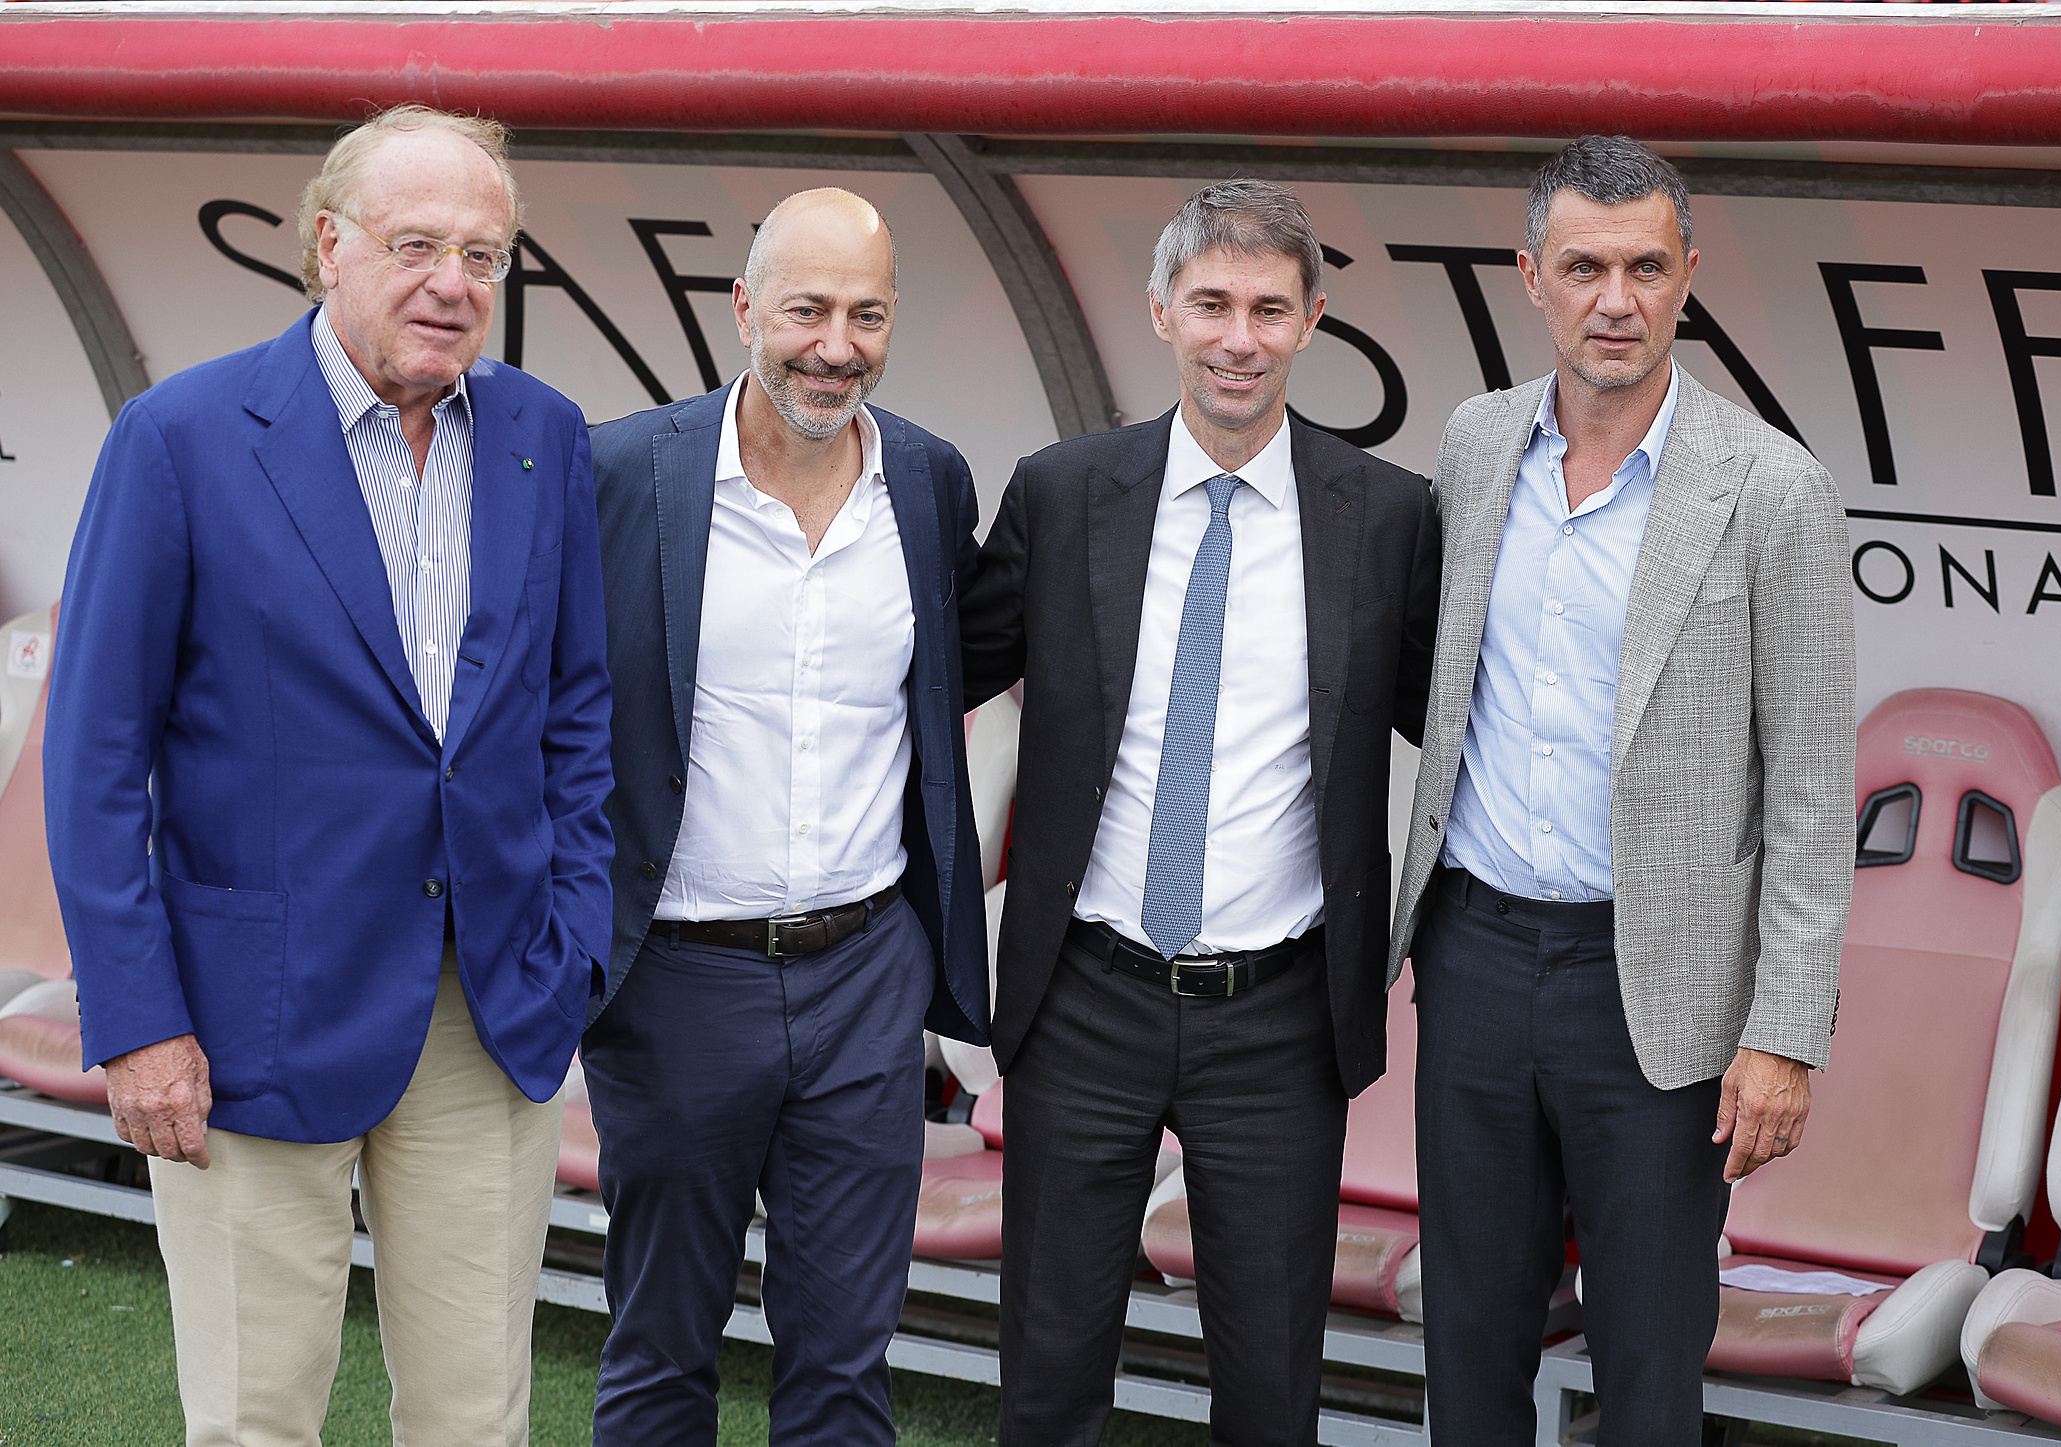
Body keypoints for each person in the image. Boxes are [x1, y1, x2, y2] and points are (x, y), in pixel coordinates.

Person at [43, 105, 614, 1444]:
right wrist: (136, 1020)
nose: (451, 282)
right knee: (253, 1417)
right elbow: (96, 756)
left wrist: (570, 941)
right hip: (246, 1018)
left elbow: (576, 712)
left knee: (476, 1417)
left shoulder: (542, 433)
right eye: (415, 243)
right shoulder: (180, 438)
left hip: (488, 1010)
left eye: (485, 253)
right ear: (325, 246)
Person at [1390, 134, 1856, 1446]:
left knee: (1648, 1362)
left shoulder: (1769, 487)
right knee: (1468, 1339)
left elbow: (1814, 789)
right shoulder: (1475, 446)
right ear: (1528, 275)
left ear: (1687, 275)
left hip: (1655, 988)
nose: (1615, 298)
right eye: (1584, 266)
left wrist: (1783, 1033)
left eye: (1645, 266)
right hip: (1472, 955)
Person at [961, 179, 1440, 1447]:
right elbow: (935, 676)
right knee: (1050, 1369)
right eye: (1213, 303)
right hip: (1084, 994)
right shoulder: (1063, 494)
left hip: (1279, 1012)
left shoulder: (1384, 517)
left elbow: (1452, 730)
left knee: (1272, 1385)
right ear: (1162, 309)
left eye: (1269, 309)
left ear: (1312, 320)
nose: (1239, 336)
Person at [583, 187, 988, 1447]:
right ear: (745, 307)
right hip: (677, 983)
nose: (835, 344)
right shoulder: (621, 474)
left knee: (843, 1363)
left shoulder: (926, 482)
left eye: (865, 314)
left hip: (866, 981)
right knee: (661, 1351)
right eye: (807, 308)